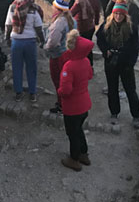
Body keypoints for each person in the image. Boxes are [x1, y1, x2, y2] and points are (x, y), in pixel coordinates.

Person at [96, 0, 139, 129]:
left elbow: (135, 48)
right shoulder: (107, 25)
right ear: (112, 13)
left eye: (121, 14)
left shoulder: (131, 28)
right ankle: (114, 113)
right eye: (116, 13)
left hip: (125, 63)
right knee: (112, 88)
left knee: (130, 90)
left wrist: (130, 64)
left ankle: (136, 115)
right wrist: (106, 51)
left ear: (125, 15)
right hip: (111, 61)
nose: (118, 16)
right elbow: (100, 39)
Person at [58, 29, 94, 171]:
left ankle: (74, 159)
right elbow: (90, 76)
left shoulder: (69, 66)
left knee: (72, 133)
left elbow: (66, 90)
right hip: (84, 104)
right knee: (79, 130)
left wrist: (59, 92)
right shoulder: (85, 61)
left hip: (72, 106)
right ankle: (84, 154)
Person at [5, 0, 45, 102]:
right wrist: (42, 40)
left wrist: (7, 38)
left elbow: (8, 25)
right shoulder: (34, 8)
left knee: (17, 67)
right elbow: (39, 27)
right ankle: (32, 93)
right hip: (30, 42)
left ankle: (18, 93)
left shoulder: (12, 8)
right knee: (31, 68)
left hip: (16, 42)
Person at [44, 0, 75, 113]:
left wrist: (46, 47)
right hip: (68, 54)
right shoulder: (70, 20)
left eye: (53, 6)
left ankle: (62, 104)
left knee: (58, 80)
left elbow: (53, 42)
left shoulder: (59, 23)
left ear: (58, 9)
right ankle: (68, 102)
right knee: (67, 80)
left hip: (58, 56)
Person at [70, 0, 101, 66]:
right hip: (91, 27)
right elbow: (97, 11)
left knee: (80, 48)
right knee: (88, 47)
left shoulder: (80, 0)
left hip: (81, 28)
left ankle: (82, 66)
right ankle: (90, 65)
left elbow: (71, 13)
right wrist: (96, 22)